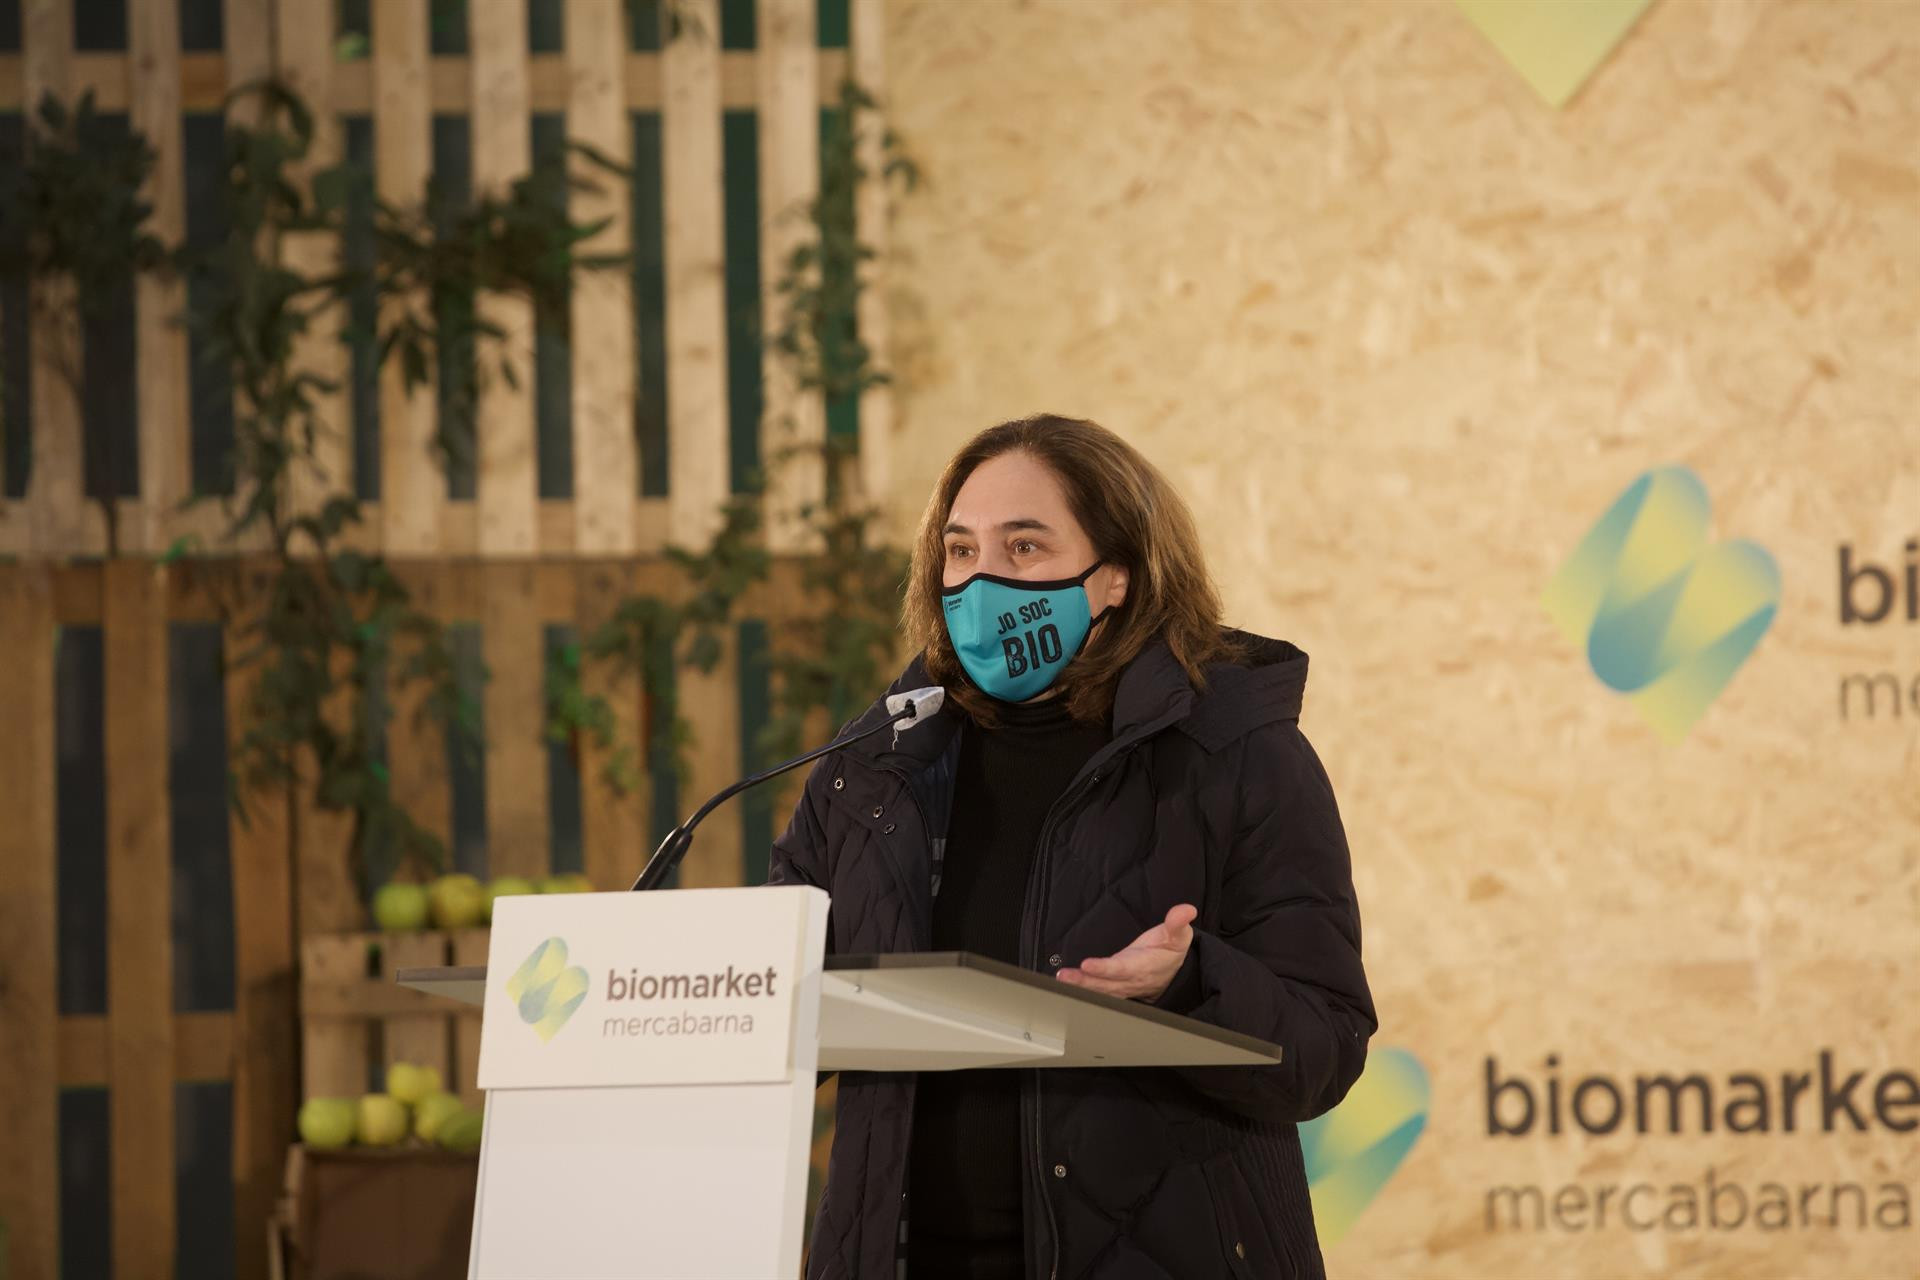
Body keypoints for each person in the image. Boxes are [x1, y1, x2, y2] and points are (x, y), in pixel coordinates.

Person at [770, 415, 1375, 1280]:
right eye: (960, 550)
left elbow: (1325, 1049)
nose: (982, 581)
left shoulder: (1235, 752)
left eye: (1023, 548)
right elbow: (779, 999)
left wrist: (1193, 984)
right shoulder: (877, 765)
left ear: (1117, 575)